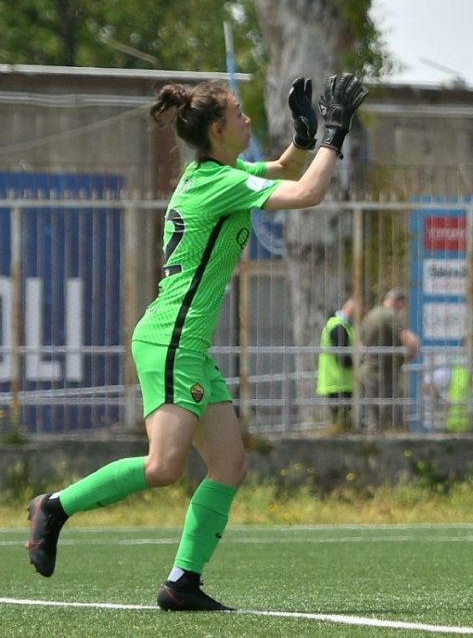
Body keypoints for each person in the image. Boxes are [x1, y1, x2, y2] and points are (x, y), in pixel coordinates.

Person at [24, 73, 368, 611]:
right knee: (163, 467)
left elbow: (283, 171)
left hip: (187, 345)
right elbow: (307, 191)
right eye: (238, 112)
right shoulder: (217, 183)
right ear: (216, 128)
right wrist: (334, 131)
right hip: (171, 341)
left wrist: (303, 138)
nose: (247, 118)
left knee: (228, 465)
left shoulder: (219, 172)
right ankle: (55, 506)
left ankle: (182, 582)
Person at [358, 288, 420, 432]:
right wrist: (412, 352)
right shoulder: (390, 315)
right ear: (398, 302)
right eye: (403, 306)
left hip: (367, 372)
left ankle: (372, 449)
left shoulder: (371, 315)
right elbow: (410, 340)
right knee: (394, 419)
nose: (403, 310)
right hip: (384, 375)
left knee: (374, 420)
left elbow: (360, 343)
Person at [317, 297, 359, 430]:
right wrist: (358, 365)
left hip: (339, 381)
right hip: (339, 381)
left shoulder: (341, 325)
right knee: (341, 421)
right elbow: (342, 356)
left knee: (341, 421)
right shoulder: (338, 326)